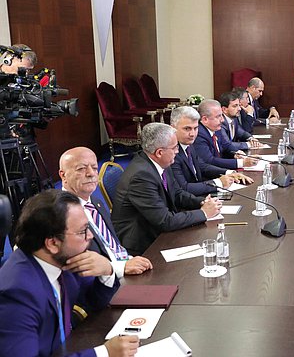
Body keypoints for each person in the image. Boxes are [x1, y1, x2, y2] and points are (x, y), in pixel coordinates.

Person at [0, 189, 139, 357]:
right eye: (83, 231)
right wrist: (104, 353)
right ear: (52, 243)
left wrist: (107, 270)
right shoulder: (16, 293)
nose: (90, 236)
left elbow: (94, 301)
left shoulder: (63, 261)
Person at [111, 123, 223, 255]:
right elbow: (165, 221)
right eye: (175, 147)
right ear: (159, 152)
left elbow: (177, 193)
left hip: (157, 230)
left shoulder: (161, 162)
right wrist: (204, 213)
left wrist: (201, 202)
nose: (177, 151)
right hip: (143, 244)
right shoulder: (141, 177)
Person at [59, 147, 153, 278]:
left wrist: (129, 261)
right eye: (81, 169)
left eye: (94, 167)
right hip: (101, 283)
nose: (91, 173)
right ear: (63, 175)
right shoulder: (61, 213)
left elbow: (112, 246)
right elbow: (77, 265)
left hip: (125, 266)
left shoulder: (96, 202)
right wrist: (122, 267)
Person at [170, 106, 253, 196]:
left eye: (195, 128)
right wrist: (218, 183)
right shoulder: (171, 152)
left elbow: (202, 166)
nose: (192, 134)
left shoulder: (188, 144)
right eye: (187, 129)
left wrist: (230, 173)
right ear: (172, 128)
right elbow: (183, 188)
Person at [194, 99, 255, 170]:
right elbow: (210, 161)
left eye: (222, 116)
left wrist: (237, 153)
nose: (222, 120)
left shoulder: (215, 128)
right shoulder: (199, 135)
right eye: (218, 116)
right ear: (205, 119)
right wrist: (241, 163)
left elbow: (226, 145)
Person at [218, 91, 261, 155]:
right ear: (224, 109)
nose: (239, 109)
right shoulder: (220, 123)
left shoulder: (234, 119)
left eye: (239, 105)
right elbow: (227, 144)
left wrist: (251, 138)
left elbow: (241, 132)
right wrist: (248, 144)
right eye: (235, 106)